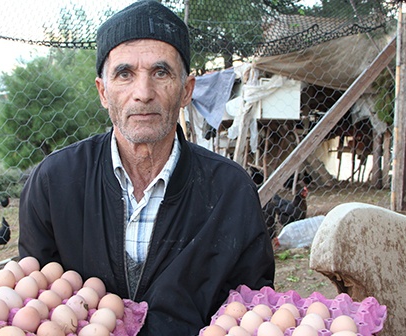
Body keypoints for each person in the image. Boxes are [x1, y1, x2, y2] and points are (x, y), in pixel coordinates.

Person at [18, 1, 275, 334]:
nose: (143, 93)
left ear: (186, 90)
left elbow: (251, 310)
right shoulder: (55, 183)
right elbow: (34, 302)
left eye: (161, 72)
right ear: (103, 91)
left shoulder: (231, 191)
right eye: (124, 74)